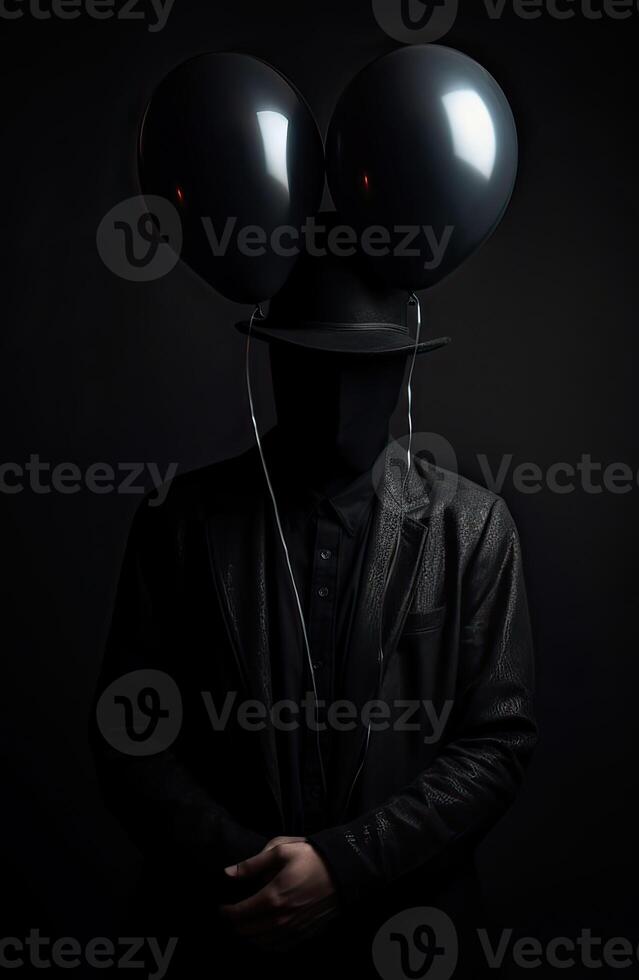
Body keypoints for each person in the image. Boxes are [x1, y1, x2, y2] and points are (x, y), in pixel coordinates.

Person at [91, 245, 537, 978]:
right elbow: (130, 733)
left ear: (402, 368)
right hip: (220, 936)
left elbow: (497, 743)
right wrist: (251, 873)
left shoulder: (474, 528)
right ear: (270, 365)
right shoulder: (181, 521)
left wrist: (345, 867)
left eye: (362, 365)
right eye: (309, 362)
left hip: (410, 940)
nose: (335, 391)